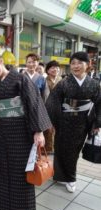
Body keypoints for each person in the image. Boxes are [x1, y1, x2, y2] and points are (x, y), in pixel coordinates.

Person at [0, 52, 51, 210]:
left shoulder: (21, 79)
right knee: (2, 170)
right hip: (3, 133)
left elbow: (34, 103)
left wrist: (39, 131)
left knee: (20, 172)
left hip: (21, 133)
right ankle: (4, 207)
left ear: (1, 61)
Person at [46, 52, 101, 193]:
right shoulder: (63, 83)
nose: (76, 66)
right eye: (73, 63)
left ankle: (71, 178)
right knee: (60, 148)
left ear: (87, 65)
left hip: (82, 123)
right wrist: (52, 121)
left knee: (73, 152)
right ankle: (60, 175)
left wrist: (97, 123)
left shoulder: (94, 84)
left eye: (79, 63)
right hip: (64, 121)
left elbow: (99, 104)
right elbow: (53, 101)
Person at [43, 60, 62, 154]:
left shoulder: (61, 80)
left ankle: (55, 147)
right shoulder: (44, 80)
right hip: (47, 107)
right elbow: (44, 96)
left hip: (59, 108)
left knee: (57, 128)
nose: (55, 69)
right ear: (48, 70)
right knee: (48, 129)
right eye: (53, 67)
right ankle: (47, 148)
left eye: (57, 67)